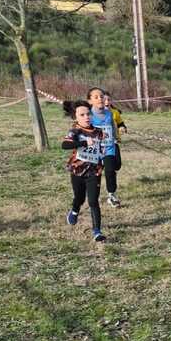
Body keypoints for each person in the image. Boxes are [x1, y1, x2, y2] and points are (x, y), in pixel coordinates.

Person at [62, 99, 107, 243]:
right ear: (75, 117)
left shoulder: (99, 132)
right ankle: (75, 210)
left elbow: (102, 149)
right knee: (79, 198)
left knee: (93, 201)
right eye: (82, 115)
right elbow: (65, 145)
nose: (86, 117)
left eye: (88, 114)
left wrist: (104, 154)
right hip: (78, 171)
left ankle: (97, 232)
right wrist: (84, 142)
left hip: (94, 171)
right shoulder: (75, 131)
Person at [87, 87, 121, 206]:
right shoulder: (88, 114)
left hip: (109, 148)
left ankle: (112, 195)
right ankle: (92, 196)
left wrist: (116, 137)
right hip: (94, 149)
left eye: (101, 96)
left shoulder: (109, 113)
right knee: (95, 174)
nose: (100, 99)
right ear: (90, 100)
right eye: (96, 97)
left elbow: (112, 126)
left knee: (110, 171)